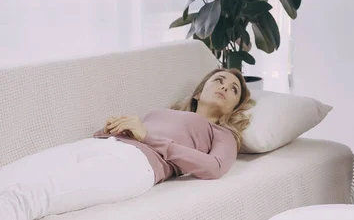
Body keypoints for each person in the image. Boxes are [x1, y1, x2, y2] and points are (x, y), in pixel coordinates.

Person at [0, 68, 252, 220]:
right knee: (7, 178)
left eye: (233, 90)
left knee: (25, 197)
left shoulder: (222, 133)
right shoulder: (165, 111)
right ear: (198, 92)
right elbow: (138, 132)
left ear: (234, 106)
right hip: (98, 144)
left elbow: (215, 167)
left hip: (136, 164)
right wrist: (113, 128)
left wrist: (147, 137)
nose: (225, 87)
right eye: (219, 80)